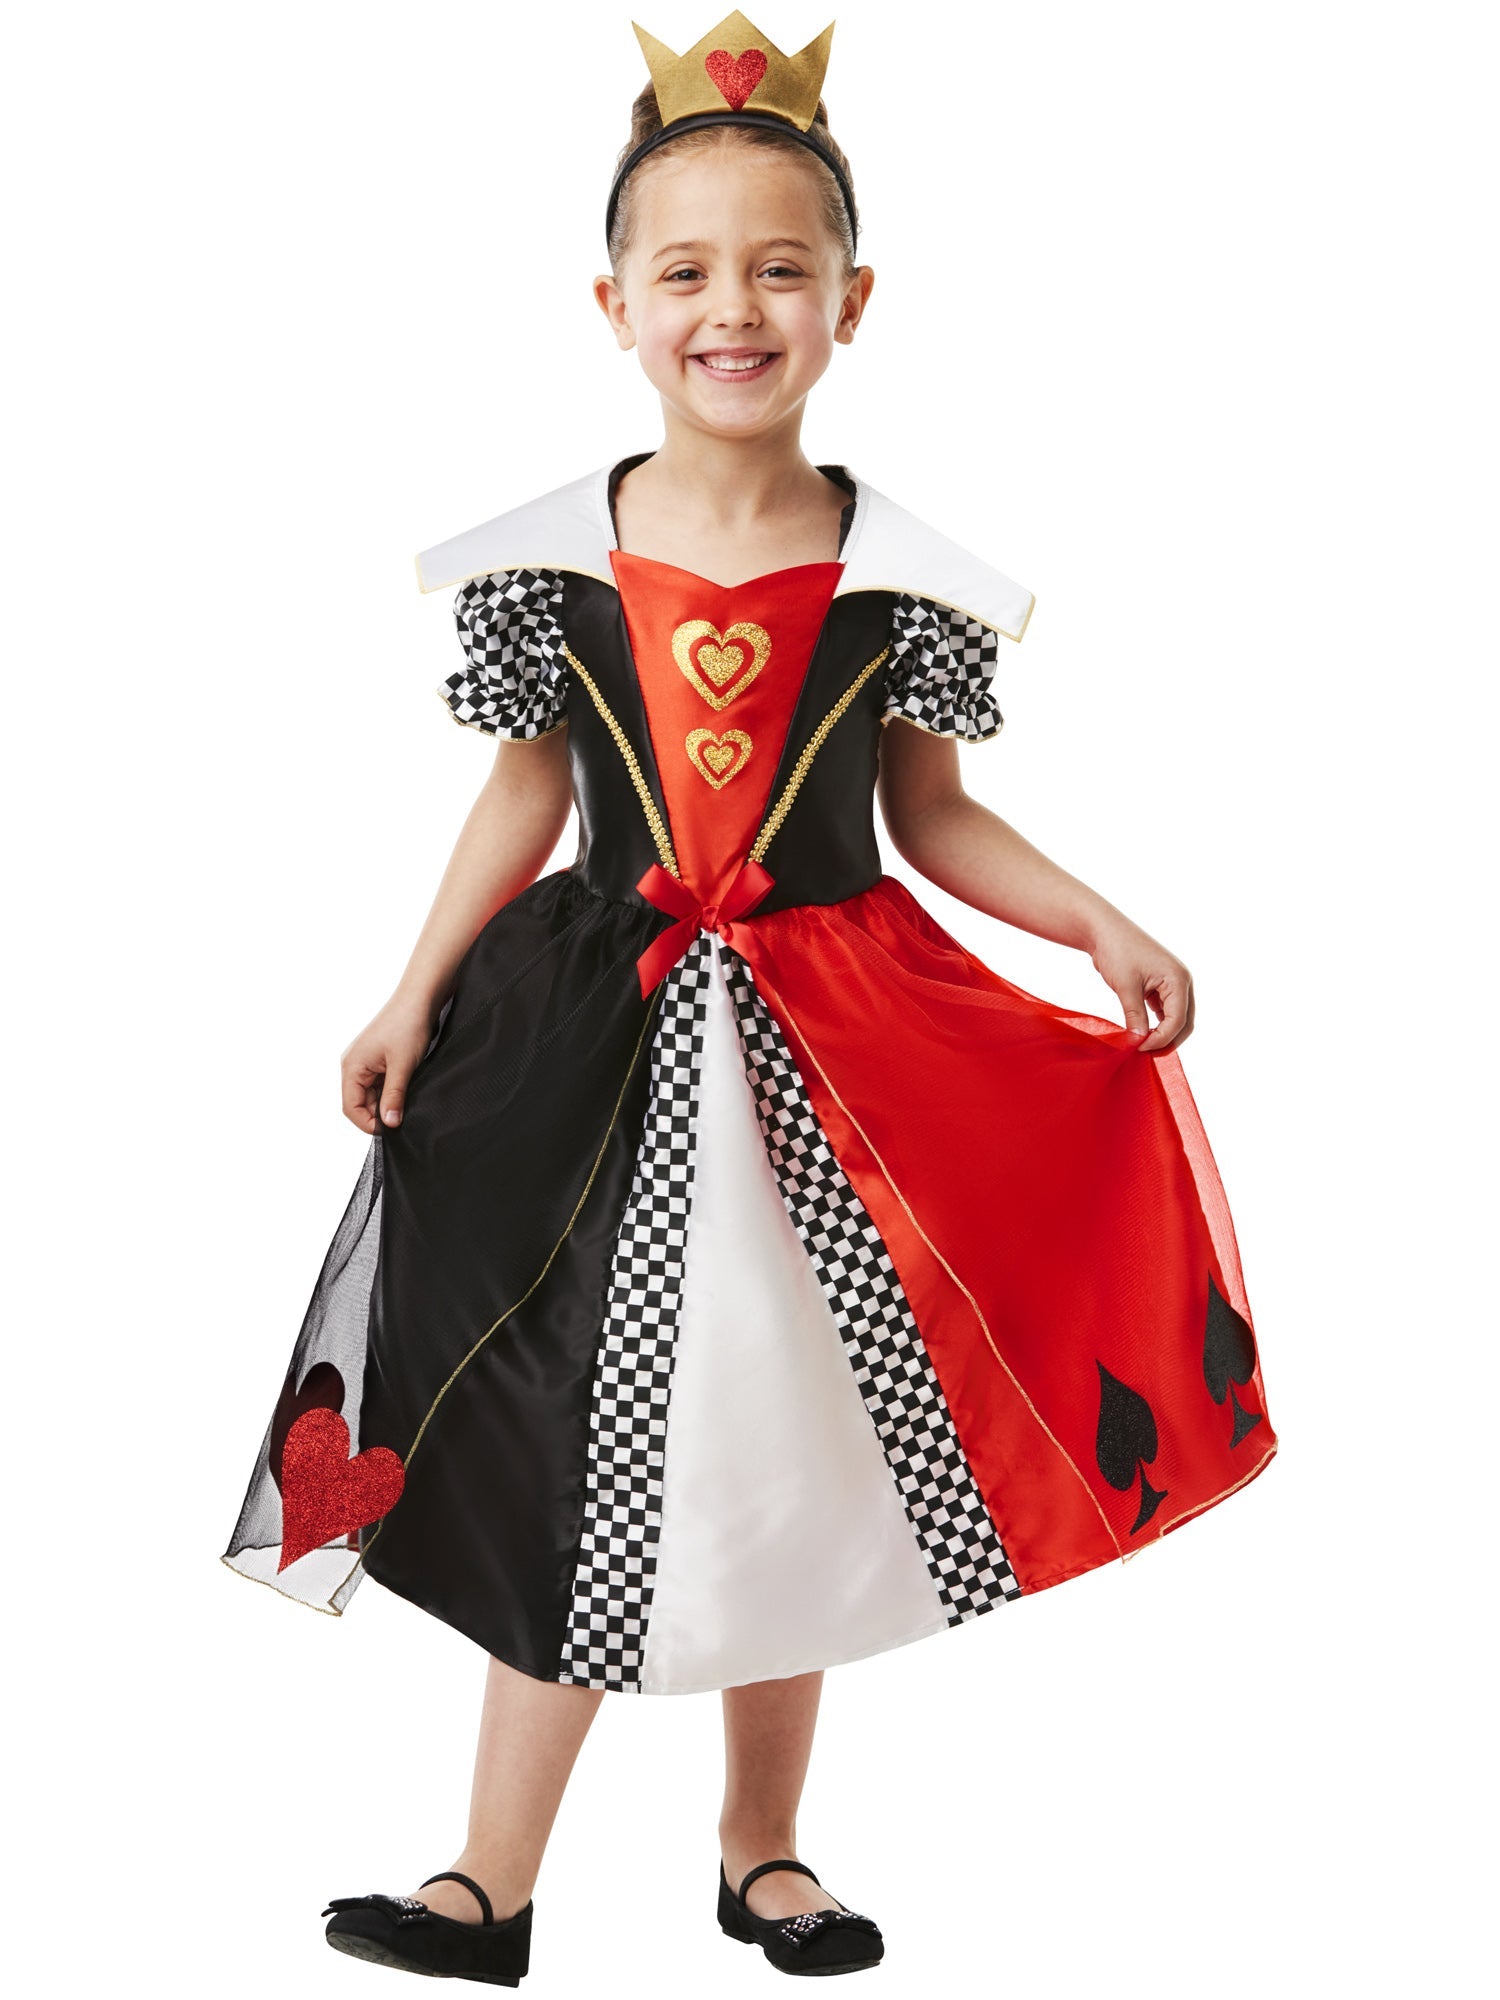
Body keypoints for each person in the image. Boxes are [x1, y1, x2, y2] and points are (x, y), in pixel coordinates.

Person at [223, 12, 1275, 1986]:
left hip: (836, 1055)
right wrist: (404, 990)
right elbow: (528, 791)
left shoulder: (904, 578)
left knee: (789, 1437)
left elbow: (935, 819)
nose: (735, 307)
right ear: (613, 300)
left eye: (782, 268)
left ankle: (763, 1852)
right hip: (590, 1048)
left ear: (853, 302)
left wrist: (1096, 921)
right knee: (560, 1430)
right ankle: (489, 1879)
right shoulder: (549, 564)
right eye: (688, 270)